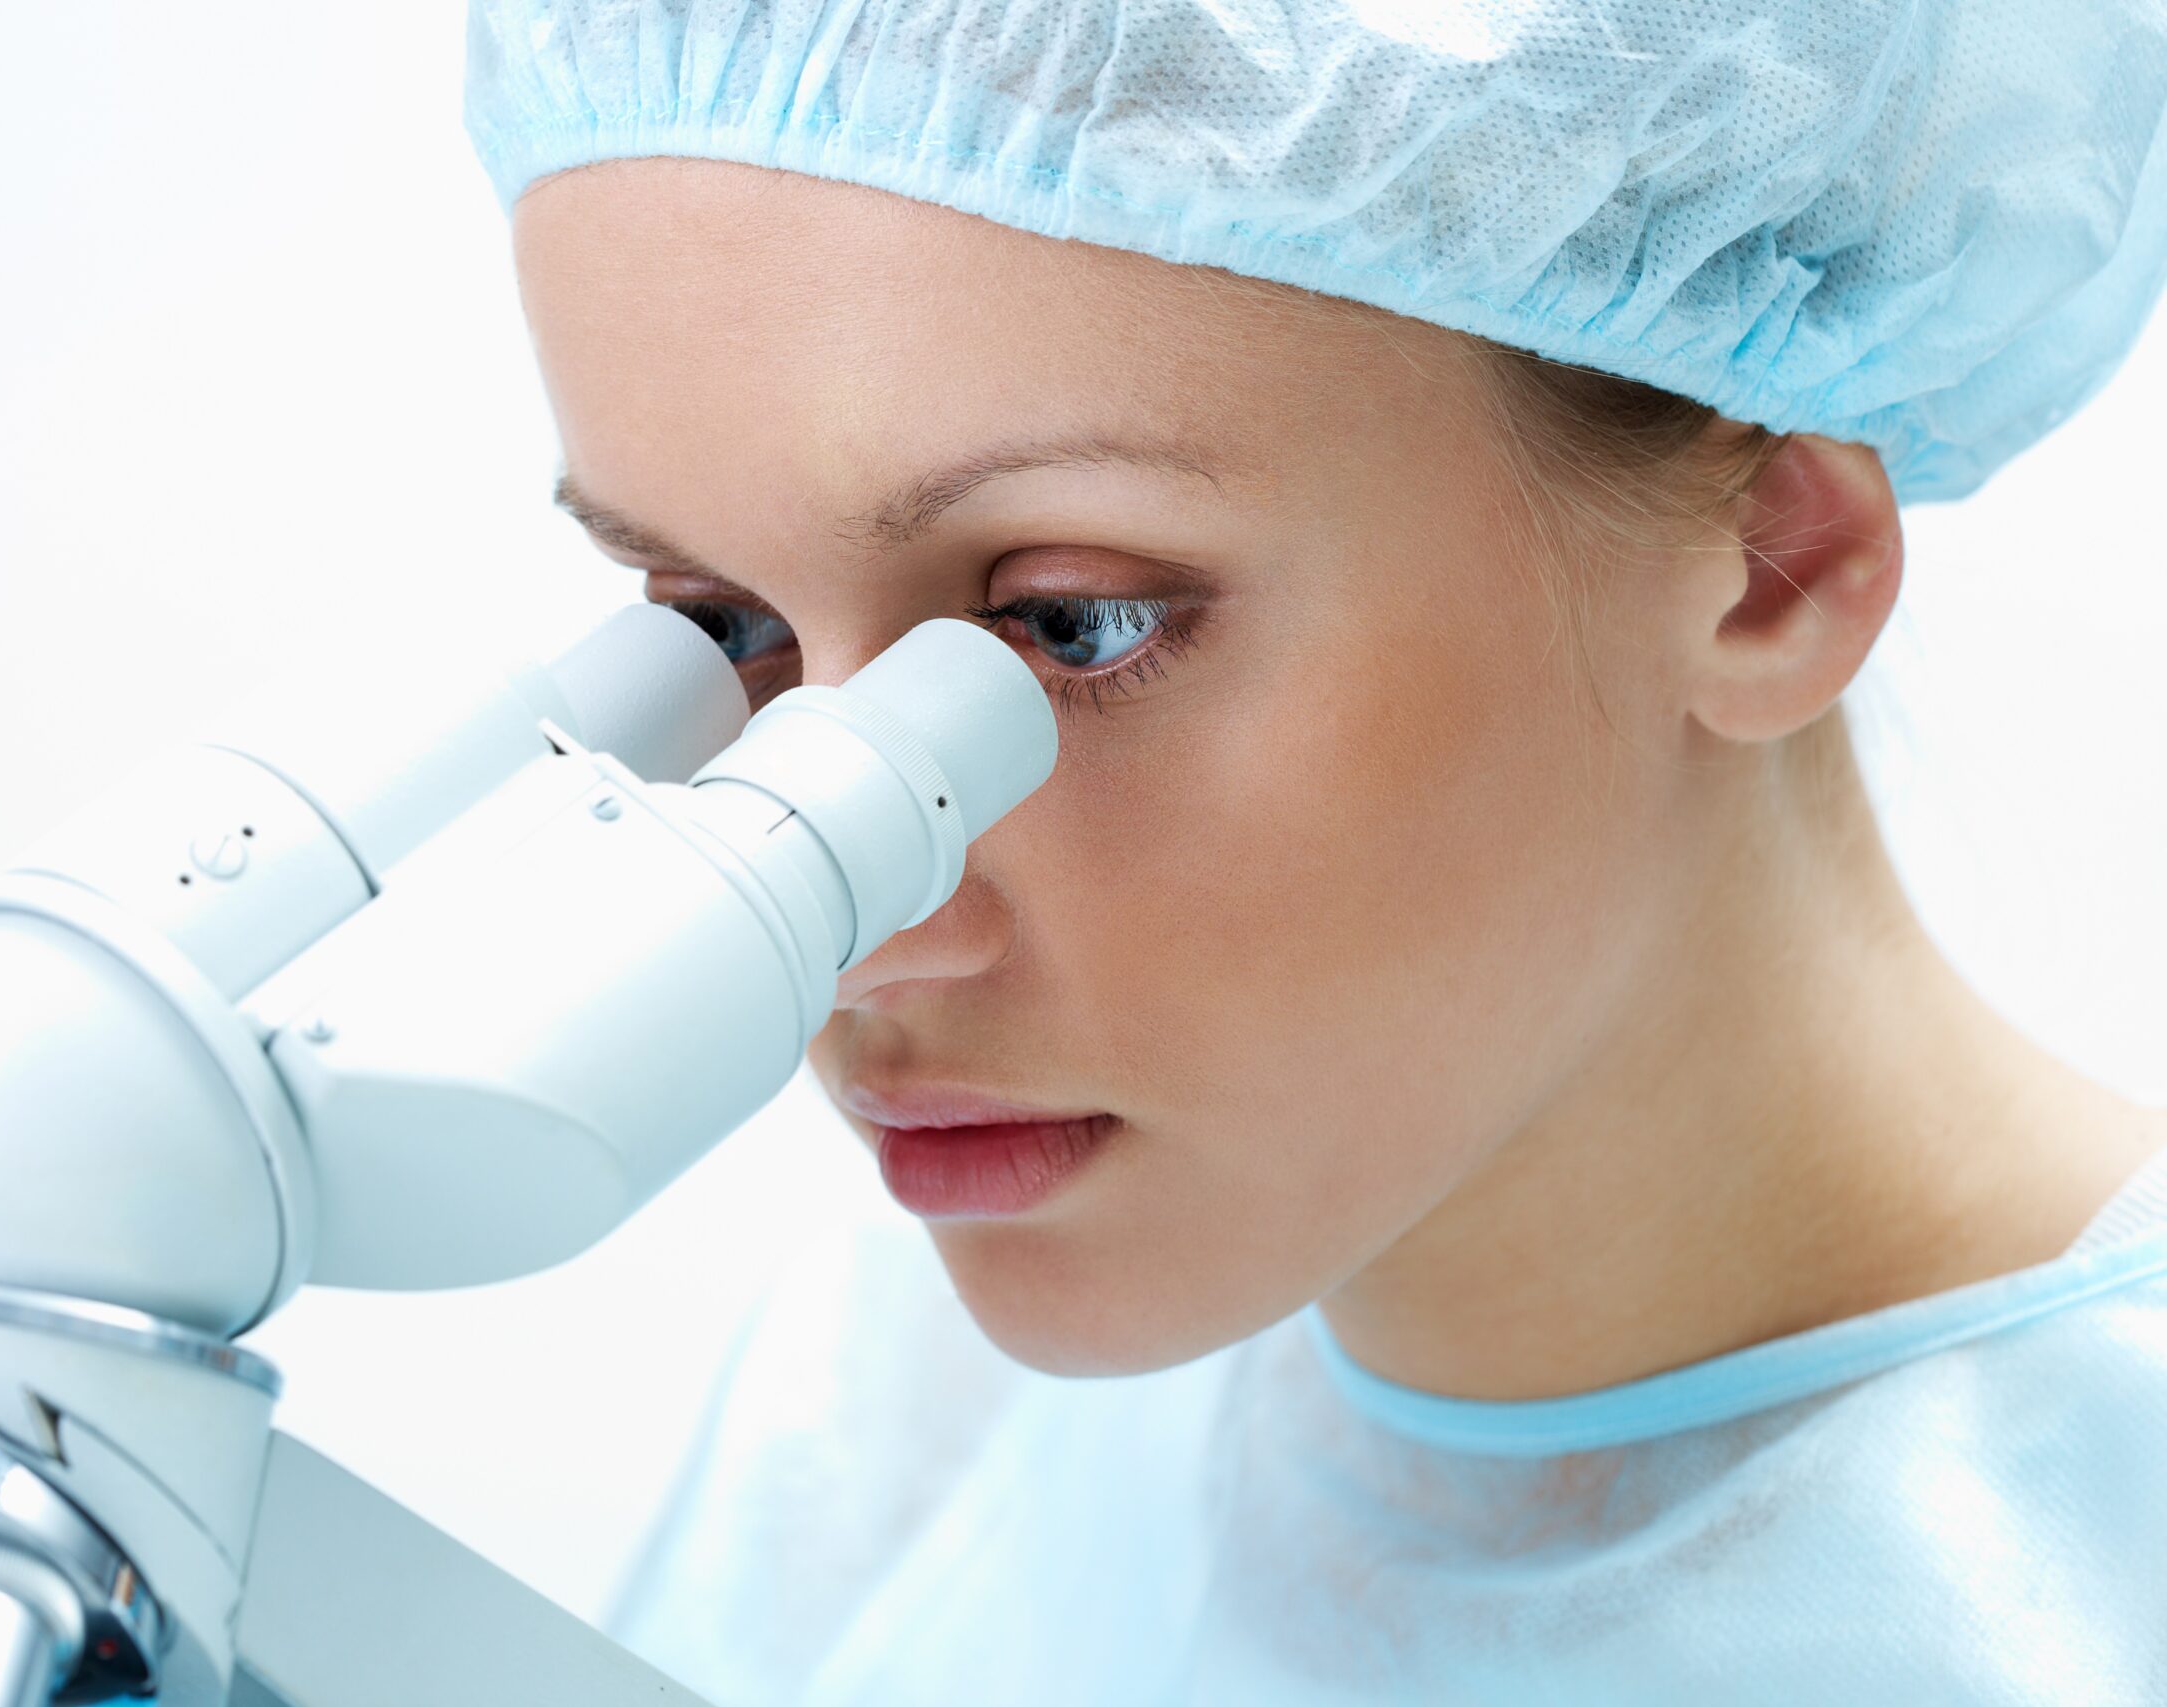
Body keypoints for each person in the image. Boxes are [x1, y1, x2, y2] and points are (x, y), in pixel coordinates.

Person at [466, 5, 2167, 1701]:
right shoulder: (893, 1419)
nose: (851, 932)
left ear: (1770, 561)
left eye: (1072, 624)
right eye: (723, 630)